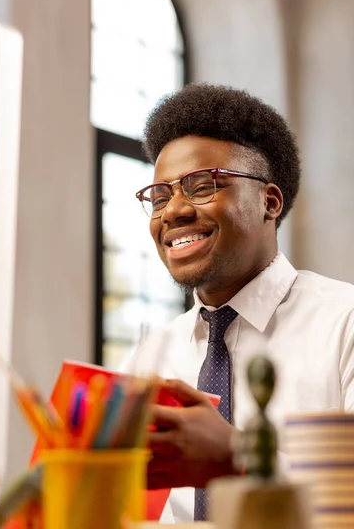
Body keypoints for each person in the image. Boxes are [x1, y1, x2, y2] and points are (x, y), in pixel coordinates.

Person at [129, 83, 354, 523]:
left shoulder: (344, 322)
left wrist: (240, 457)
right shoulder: (149, 356)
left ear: (269, 202)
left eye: (201, 185)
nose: (172, 211)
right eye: (159, 196)